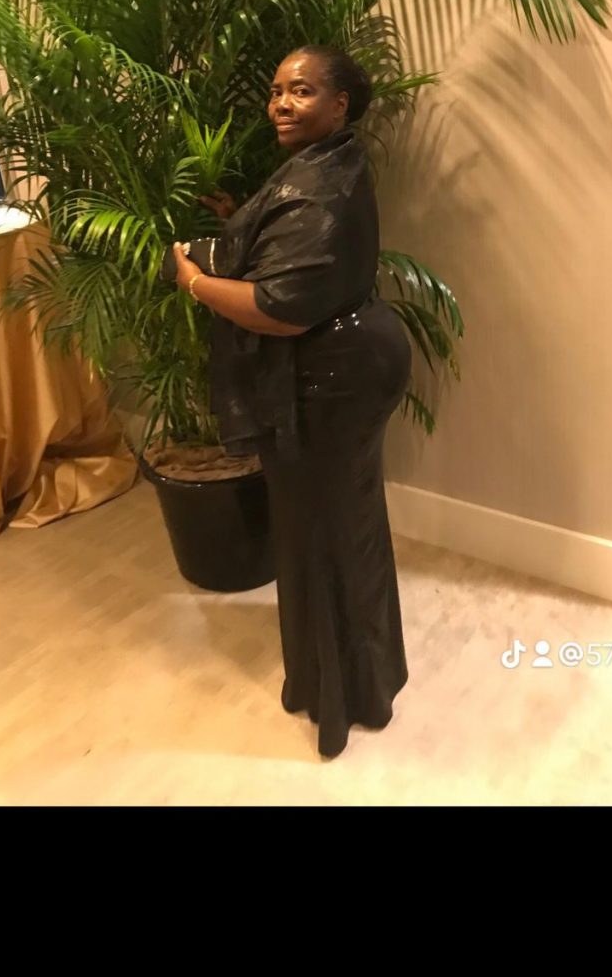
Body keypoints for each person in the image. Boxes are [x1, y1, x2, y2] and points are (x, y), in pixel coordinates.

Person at [172, 45, 411, 758]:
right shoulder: (328, 161)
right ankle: (359, 681)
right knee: (337, 526)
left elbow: (280, 309)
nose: (281, 103)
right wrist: (239, 220)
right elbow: (288, 247)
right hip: (349, 364)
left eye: (301, 91)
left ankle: (342, 699)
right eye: (277, 90)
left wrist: (192, 280)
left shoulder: (321, 185)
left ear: (340, 104)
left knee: (321, 534)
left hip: (330, 380)